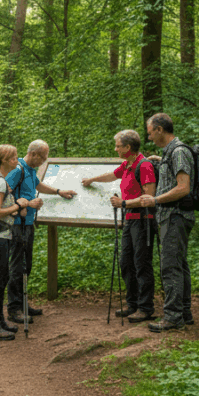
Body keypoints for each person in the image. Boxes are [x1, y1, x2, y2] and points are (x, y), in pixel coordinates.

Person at [81, 129, 157, 323]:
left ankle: (146, 307)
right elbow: (112, 175)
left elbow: (149, 197)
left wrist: (124, 203)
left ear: (128, 147)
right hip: (129, 221)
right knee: (126, 263)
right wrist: (92, 180)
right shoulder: (127, 164)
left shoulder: (144, 165)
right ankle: (132, 304)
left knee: (142, 263)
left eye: (118, 145)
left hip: (143, 220)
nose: (115, 149)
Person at [132, 113, 195, 332]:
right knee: (179, 264)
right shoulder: (171, 153)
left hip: (175, 216)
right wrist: (160, 162)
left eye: (150, 133)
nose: (149, 138)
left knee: (170, 267)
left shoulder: (178, 152)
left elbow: (183, 187)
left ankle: (173, 317)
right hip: (171, 217)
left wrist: (155, 199)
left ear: (159, 129)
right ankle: (184, 313)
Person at [6, 140, 77, 324]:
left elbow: (38, 185)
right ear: (35, 154)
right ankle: (14, 309)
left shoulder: (30, 170)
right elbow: (3, 193)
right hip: (17, 224)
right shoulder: (17, 169)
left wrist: (59, 191)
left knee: (26, 265)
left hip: (28, 224)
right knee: (17, 265)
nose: (43, 161)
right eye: (43, 158)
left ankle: (23, 304)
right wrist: (26, 204)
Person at [0, 145, 30, 341]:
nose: (17, 160)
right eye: (14, 158)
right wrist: (17, 205)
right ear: (6, 161)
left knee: (1, 280)